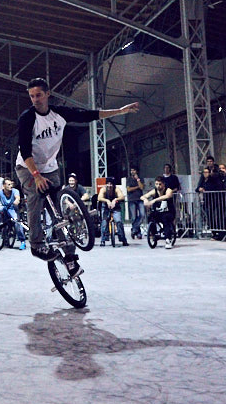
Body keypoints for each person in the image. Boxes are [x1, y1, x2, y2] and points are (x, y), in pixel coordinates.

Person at [15, 77, 139, 276]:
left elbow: (89, 115)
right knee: (35, 200)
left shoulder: (59, 113)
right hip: (28, 167)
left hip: (50, 167)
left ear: (48, 94)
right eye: (31, 96)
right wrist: (36, 176)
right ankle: (36, 245)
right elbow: (25, 150)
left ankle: (70, 259)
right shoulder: (27, 118)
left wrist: (120, 111)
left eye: (38, 95)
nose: (35, 99)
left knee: (60, 213)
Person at [142, 178, 177, 247]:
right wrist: (145, 200)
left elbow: (167, 196)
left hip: (169, 212)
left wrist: (154, 200)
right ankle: (153, 234)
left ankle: (168, 240)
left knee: (166, 220)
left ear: (163, 184)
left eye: (160, 184)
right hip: (158, 212)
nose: (158, 186)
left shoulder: (168, 190)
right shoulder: (154, 191)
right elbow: (143, 196)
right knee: (150, 217)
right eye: (156, 184)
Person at [0, 177, 25, 250]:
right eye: (8, 184)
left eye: (11, 184)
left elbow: (17, 197)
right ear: (4, 185)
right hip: (4, 208)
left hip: (12, 209)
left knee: (17, 223)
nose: (10, 186)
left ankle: (22, 241)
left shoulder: (15, 191)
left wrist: (17, 200)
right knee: (0, 208)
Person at [96, 180, 128, 247]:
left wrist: (115, 199)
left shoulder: (117, 189)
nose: (109, 185)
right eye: (108, 184)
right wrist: (107, 200)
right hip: (105, 207)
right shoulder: (103, 189)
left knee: (118, 221)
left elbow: (122, 196)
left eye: (111, 184)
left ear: (113, 185)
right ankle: (103, 240)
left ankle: (123, 239)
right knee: (104, 222)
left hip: (116, 207)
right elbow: (99, 197)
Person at [125, 169, 145, 238]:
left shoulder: (140, 178)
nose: (132, 171)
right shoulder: (128, 179)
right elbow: (128, 189)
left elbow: (142, 187)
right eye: (131, 170)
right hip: (131, 199)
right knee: (134, 217)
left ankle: (134, 229)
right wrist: (137, 187)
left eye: (134, 170)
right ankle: (138, 232)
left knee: (142, 215)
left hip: (140, 199)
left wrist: (138, 180)